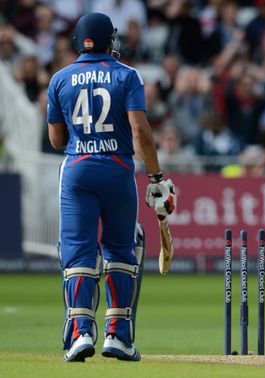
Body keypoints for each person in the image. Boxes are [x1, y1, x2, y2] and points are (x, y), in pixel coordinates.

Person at [46, 13, 176, 362]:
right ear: (110, 40)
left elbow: (57, 139)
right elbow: (140, 131)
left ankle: (79, 334)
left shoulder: (60, 78)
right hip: (117, 168)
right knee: (121, 249)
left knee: (78, 252)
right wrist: (156, 176)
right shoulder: (128, 75)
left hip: (77, 169)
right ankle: (118, 336)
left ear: (78, 42)